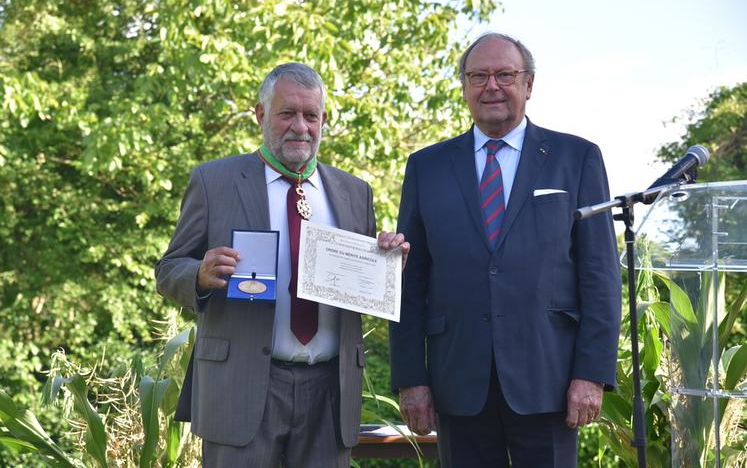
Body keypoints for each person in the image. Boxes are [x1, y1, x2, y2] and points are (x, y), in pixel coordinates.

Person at [156, 62, 408, 468]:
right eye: (287, 113)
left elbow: (365, 290)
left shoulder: (353, 192)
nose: (300, 127)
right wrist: (199, 275)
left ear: (324, 119)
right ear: (260, 115)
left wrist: (391, 263)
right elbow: (169, 269)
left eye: (311, 116)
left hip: (329, 392)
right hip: (240, 386)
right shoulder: (214, 181)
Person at [389, 33, 621, 467]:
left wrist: (591, 374)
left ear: (529, 85)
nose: (491, 85)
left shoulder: (577, 158)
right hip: (457, 382)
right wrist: (410, 378)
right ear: (464, 86)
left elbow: (600, 275)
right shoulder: (427, 166)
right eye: (478, 75)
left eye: (505, 75)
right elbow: (410, 279)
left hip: (548, 380)